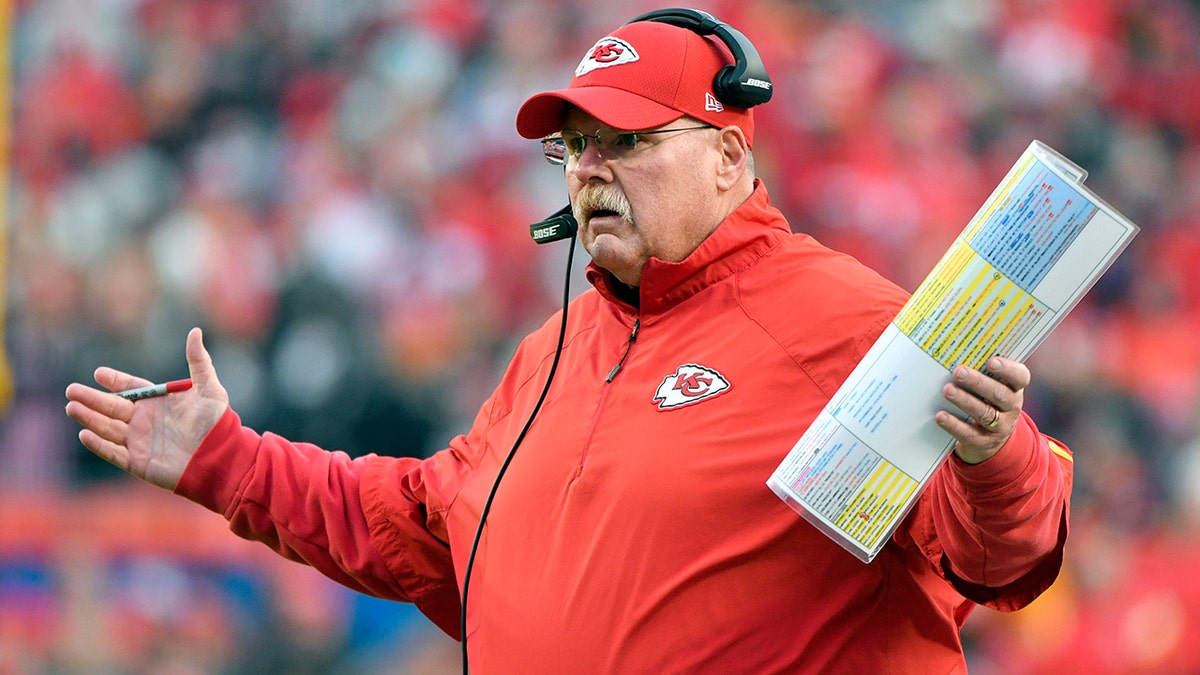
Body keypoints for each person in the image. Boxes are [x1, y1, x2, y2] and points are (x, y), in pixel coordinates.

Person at [65, 11, 1073, 673]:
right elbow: (426, 532)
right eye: (576, 144)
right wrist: (223, 460)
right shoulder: (552, 350)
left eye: (627, 141)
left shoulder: (844, 320)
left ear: (729, 156)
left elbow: (995, 560)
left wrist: (996, 456)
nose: (590, 168)